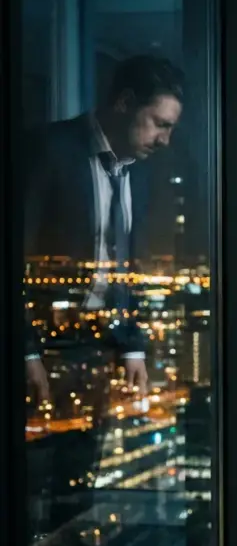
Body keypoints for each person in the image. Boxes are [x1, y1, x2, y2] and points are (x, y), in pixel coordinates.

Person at [24, 53, 183, 402]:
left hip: (101, 352)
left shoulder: (139, 175)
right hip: (42, 344)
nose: (165, 140)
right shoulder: (47, 150)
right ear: (124, 103)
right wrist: (25, 352)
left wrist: (132, 347)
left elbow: (127, 267)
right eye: (160, 123)